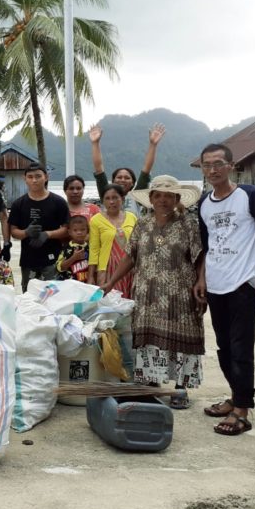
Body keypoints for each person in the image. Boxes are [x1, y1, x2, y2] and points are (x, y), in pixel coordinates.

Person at [194, 143, 255, 436]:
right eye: (207, 165)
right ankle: (235, 396)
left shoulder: (249, 196)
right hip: (216, 284)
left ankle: (242, 410)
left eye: (218, 163)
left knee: (242, 347)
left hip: (243, 283)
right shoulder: (204, 203)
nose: (213, 169)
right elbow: (206, 247)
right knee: (224, 346)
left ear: (230, 166)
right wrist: (201, 279)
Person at [102, 175, 204, 409]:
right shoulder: (143, 223)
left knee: (181, 338)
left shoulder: (188, 222)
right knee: (148, 338)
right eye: (158, 195)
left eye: (169, 196)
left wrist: (201, 281)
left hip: (179, 292)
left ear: (177, 198)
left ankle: (180, 386)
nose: (163, 200)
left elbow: (199, 255)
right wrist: (110, 282)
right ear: (150, 198)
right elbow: (130, 255)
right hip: (147, 291)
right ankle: (152, 383)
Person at [8, 163, 70, 290]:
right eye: (30, 177)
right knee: (29, 297)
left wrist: (48, 234)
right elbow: (13, 231)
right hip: (28, 260)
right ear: (24, 179)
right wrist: (26, 232)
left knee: (53, 296)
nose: (34, 180)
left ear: (46, 177)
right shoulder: (18, 204)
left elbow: (67, 229)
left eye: (38, 176)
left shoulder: (58, 202)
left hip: (54, 260)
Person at [88, 123, 166, 216]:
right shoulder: (106, 193)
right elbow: (99, 169)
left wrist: (153, 145)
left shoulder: (136, 196)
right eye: (119, 177)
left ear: (133, 183)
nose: (122, 180)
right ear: (112, 181)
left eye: (127, 178)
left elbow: (146, 170)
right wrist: (95, 143)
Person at [89, 184, 138, 297]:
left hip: (129, 267)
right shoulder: (96, 220)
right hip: (107, 269)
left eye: (115, 197)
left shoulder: (132, 217)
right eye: (107, 198)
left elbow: (137, 245)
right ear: (103, 201)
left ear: (123, 199)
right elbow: (94, 249)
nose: (111, 202)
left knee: (130, 302)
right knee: (110, 303)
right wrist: (91, 276)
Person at [56, 215, 91, 282]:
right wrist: (73, 258)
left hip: (86, 284)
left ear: (87, 231)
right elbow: (60, 267)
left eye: (82, 229)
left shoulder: (90, 247)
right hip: (69, 285)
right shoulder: (66, 248)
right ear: (69, 232)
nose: (79, 232)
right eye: (75, 230)